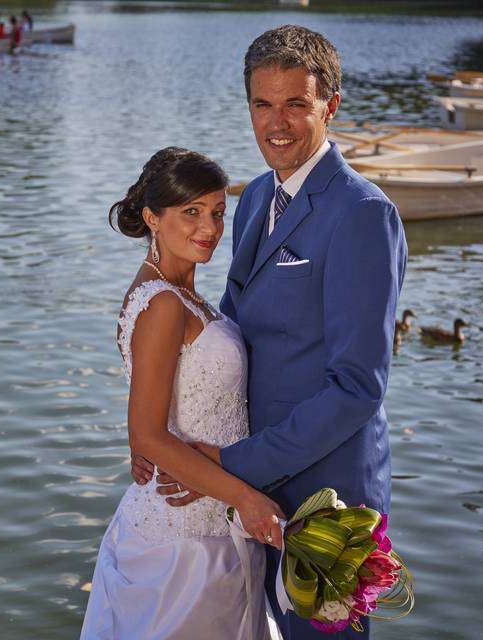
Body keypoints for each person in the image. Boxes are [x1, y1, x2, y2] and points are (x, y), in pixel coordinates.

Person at [132, 25, 407, 640]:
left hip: (323, 497)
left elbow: (358, 386)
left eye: (295, 104)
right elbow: (228, 326)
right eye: (263, 103)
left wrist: (236, 463)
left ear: (330, 106)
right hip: (242, 490)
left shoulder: (363, 214)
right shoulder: (255, 197)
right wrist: (158, 434)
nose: (275, 123)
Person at [80, 148, 284, 639]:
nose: (209, 227)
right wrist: (248, 500)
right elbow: (148, 434)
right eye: (190, 212)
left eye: (216, 211)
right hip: (185, 545)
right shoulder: (164, 303)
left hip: (215, 521)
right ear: (152, 218)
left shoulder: (183, 295)